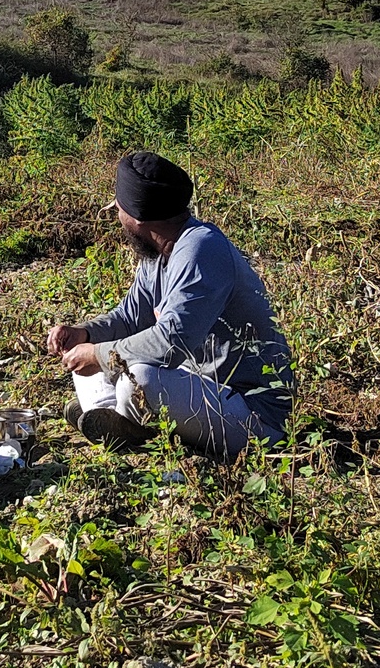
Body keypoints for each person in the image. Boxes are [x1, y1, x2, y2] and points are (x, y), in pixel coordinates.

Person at [45, 150, 292, 456]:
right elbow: (129, 317)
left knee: (140, 380)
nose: (117, 218)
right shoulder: (158, 252)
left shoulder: (201, 249)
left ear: (136, 217)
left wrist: (98, 353)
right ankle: (115, 422)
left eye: (118, 210)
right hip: (198, 391)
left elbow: (172, 342)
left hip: (252, 414)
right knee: (88, 354)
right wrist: (84, 334)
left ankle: (127, 428)